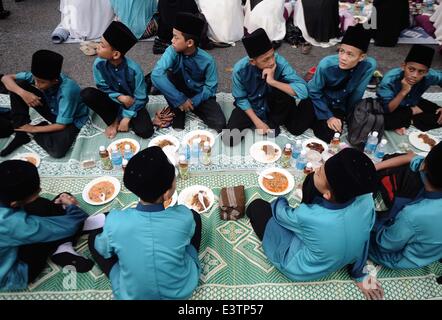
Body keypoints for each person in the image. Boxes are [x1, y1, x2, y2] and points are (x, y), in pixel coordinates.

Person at [246, 148, 384, 300]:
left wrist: (281, 200)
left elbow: (280, 214)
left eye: (319, 173)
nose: (316, 169)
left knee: (257, 206)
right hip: (338, 259)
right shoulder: (366, 200)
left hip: (298, 267)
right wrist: (359, 273)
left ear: (327, 194)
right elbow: (364, 238)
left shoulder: (309, 215)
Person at [88, 146, 201, 299]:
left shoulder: (114, 221)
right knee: (195, 217)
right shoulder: (183, 216)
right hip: (180, 289)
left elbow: (103, 250)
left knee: (94, 238)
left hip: (132, 295)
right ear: (167, 193)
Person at [0, 160, 93, 291]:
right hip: (16, 273)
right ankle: (63, 247)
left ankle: (62, 240)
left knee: (44, 206)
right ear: (14, 204)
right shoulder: (11, 223)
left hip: (7, 243)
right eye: (37, 192)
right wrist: (73, 207)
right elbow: (70, 225)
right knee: (66, 220)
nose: (40, 191)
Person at [224, 28, 309, 147]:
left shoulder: (280, 62)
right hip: (251, 104)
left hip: (273, 103)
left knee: (278, 131)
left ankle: (273, 121)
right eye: (266, 59)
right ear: (253, 62)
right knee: (229, 139)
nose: (271, 62)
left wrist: (272, 81)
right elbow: (241, 99)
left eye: (272, 55)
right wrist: (257, 121)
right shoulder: (239, 69)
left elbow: (304, 92)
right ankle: (262, 121)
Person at [0, 50, 89, 158]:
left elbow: (61, 125)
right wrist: (23, 93)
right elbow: (5, 78)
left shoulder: (67, 91)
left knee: (57, 152)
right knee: (19, 84)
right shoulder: (39, 78)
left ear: (55, 81)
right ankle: (21, 134)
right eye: (35, 80)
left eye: (42, 82)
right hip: (52, 109)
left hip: (71, 120)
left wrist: (34, 129)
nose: (37, 85)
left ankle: (40, 127)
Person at [297, 25, 376, 143]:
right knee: (296, 128)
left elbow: (358, 92)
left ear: (361, 57)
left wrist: (348, 117)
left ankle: (317, 119)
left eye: (350, 54)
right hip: (318, 99)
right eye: (341, 51)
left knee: (331, 136)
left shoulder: (368, 66)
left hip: (339, 104)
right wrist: (328, 116)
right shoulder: (326, 64)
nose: (343, 58)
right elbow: (314, 91)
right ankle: (315, 117)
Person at [369, 142, 442, 270]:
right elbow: (411, 157)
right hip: (431, 244)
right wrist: (375, 167)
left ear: (424, 167)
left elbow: (384, 245)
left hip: (401, 257)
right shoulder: (430, 172)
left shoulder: (413, 215)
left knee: (358, 235)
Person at [151, 13, 226, 132]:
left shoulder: (207, 60)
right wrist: (180, 99)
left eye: (176, 37)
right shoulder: (171, 50)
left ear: (189, 43)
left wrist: (192, 102)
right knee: (178, 127)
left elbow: (210, 88)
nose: (172, 40)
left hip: (199, 95)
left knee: (220, 124)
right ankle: (178, 107)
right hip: (178, 92)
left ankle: (186, 108)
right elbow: (156, 74)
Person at [80, 21, 154, 139]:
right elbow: (102, 87)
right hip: (113, 101)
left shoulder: (134, 70)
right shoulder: (98, 64)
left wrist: (127, 117)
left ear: (115, 54)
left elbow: (141, 98)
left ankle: (122, 118)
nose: (98, 47)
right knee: (87, 94)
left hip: (133, 104)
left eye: (102, 46)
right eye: (99, 42)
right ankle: (113, 122)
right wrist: (119, 97)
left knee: (146, 132)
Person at [377, 44, 442, 135]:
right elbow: (388, 109)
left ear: (426, 72)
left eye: (421, 72)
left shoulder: (431, 75)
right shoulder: (390, 79)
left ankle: (408, 118)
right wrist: (403, 92)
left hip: (414, 101)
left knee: (439, 116)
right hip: (395, 105)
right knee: (383, 122)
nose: (415, 75)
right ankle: (412, 115)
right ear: (403, 66)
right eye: (411, 69)